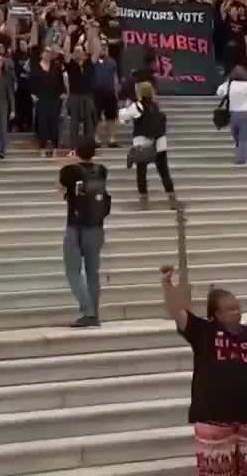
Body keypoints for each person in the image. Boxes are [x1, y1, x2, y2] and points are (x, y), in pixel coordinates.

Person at [161, 267, 247, 476]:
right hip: (214, 421)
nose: (237, 312)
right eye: (231, 309)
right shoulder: (203, 332)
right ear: (216, 314)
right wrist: (168, 286)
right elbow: (178, 314)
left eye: (238, 307)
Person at [58, 140, 110, 327]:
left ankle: (87, 312)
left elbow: (60, 186)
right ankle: (94, 312)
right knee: (92, 272)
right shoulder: (102, 170)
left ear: (77, 152)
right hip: (96, 225)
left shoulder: (69, 171)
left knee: (72, 270)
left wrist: (66, 162)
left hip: (75, 226)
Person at [120, 81, 177, 210]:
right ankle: (172, 200)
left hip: (143, 144)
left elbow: (123, 118)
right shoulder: (156, 106)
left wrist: (126, 108)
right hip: (160, 143)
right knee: (164, 172)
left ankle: (144, 202)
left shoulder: (137, 106)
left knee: (141, 173)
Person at [218, 67, 247, 165]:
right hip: (245, 113)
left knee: (236, 136)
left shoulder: (228, 85)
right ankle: (241, 158)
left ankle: (240, 152)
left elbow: (219, 93)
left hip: (232, 114)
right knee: (243, 138)